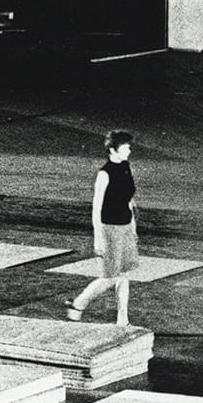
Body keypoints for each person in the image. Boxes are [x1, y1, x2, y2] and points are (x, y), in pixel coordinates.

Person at [66, 130, 139, 326]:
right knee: (110, 276)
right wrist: (98, 238)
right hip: (109, 229)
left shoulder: (126, 167)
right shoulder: (104, 174)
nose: (129, 150)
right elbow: (96, 208)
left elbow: (128, 199)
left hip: (125, 227)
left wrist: (133, 226)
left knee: (124, 274)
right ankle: (79, 302)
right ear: (112, 150)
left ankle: (122, 319)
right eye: (125, 147)